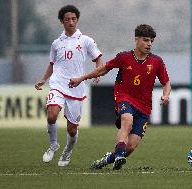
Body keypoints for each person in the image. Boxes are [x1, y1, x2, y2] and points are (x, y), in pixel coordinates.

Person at [69, 24, 171, 170]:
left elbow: (166, 82)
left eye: (151, 41)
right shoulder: (124, 57)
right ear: (136, 40)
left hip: (144, 107)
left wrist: (166, 95)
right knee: (127, 120)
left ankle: (109, 158)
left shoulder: (156, 61)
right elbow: (103, 69)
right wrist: (81, 78)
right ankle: (118, 156)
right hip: (125, 97)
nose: (149, 44)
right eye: (146, 40)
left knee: (130, 147)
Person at [35, 5, 103, 167]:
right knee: (51, 115)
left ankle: (67, 151)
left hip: (76, 87)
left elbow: (99, 58)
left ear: (77, 20)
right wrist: (43, 79)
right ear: (62, 22)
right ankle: (53, 144)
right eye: (67, 19)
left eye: (73, 19)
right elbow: (52, 64)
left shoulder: (86, 40)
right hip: (58, 84)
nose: (71, 22)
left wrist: (97, 73)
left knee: (72, 130)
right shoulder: (56, 44)